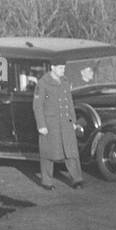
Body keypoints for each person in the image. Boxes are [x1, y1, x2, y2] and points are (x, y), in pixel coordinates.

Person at [33, 60, 84, 190]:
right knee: (48, 154)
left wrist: (73, 121)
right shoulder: (43, 83)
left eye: (64, 68)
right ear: (53, 68)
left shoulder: (65, 82)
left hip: (65, 122)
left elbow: (70, 102)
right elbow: (37, 106)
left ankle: (77, 179)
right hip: (51, 124)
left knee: (71, 151)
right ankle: (47, 181)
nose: (63, 70)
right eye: (61, 68)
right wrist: (41, 125)